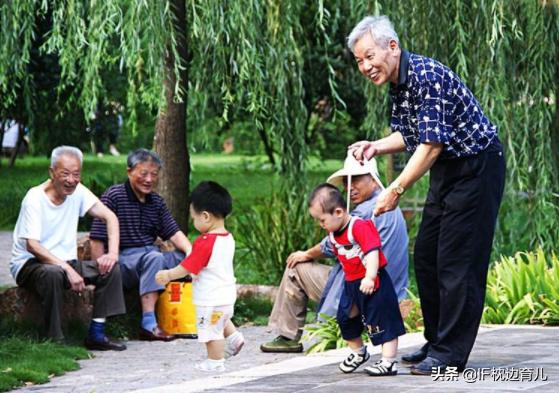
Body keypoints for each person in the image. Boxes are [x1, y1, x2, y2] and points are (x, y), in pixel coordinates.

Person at [347, 16, 506, 375]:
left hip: (477, 168)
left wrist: (395, 189)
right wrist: (375, 147)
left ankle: (450, 353)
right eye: (359, 60)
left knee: (456, 262)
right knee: (429, 257)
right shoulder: (398, 82)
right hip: (448, 169)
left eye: (369, 56)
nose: (365, 66)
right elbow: (410, 134)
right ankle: (436, 341)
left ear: (392, 47)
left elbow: (431, 145)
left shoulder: (425, 76)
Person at [261, 155, 409, 353]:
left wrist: (306, 254)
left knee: (295, 268)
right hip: (391, 288)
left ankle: (288, 337)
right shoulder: (389, 203)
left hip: (365, 288)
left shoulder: (363, 213)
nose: (350, 187)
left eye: (356, 179)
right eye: (347, 182)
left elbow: (329, 245)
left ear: (373, 179)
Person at [10, 146, 126, 350]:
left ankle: (97, 334)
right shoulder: (34, 198)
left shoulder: (78, 192)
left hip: (65, 263)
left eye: (76, 174)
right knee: (53, 273)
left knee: (111, 269)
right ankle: (55, 340)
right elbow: (32, 245)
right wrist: (67, 269)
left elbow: (110, 217)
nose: (71, 180)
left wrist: (113, 254)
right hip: (30, 264)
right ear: (51, 172)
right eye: (65, 173)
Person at [89, 148, 192, 341]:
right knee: (155, 258)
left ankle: (199, 314)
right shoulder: (114, 196)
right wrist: (100, 271)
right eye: (143, 173)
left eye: (154, 174)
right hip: (125, 260)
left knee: (181, 258)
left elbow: (174, 232)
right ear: (129, 172)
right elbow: (97, 237)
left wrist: (191, 252)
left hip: (151, 257)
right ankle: (149, 323)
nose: (149, 179)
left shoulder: (156, 202)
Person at [308, 184, 405, 376]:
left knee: (382, 319)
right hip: (352, 284)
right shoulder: (334, 234)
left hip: (373, 281)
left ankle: (388, 361)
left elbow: (373, 252)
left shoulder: (358, 226)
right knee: (345, 318)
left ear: (337, 212)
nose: (321, 225)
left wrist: (370, 276)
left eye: (322, 220)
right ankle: (359, 352)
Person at [155, 181, 244, 372]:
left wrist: (169, 274)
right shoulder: (228, 237)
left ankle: (215, 362)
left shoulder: (205, 242)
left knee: (211, 332)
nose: (193, 222)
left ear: (205, 217)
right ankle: (235, 339)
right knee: (220, 319)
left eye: (193, 218)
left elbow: (188, 266)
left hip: (210, 297)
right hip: (226, 295)